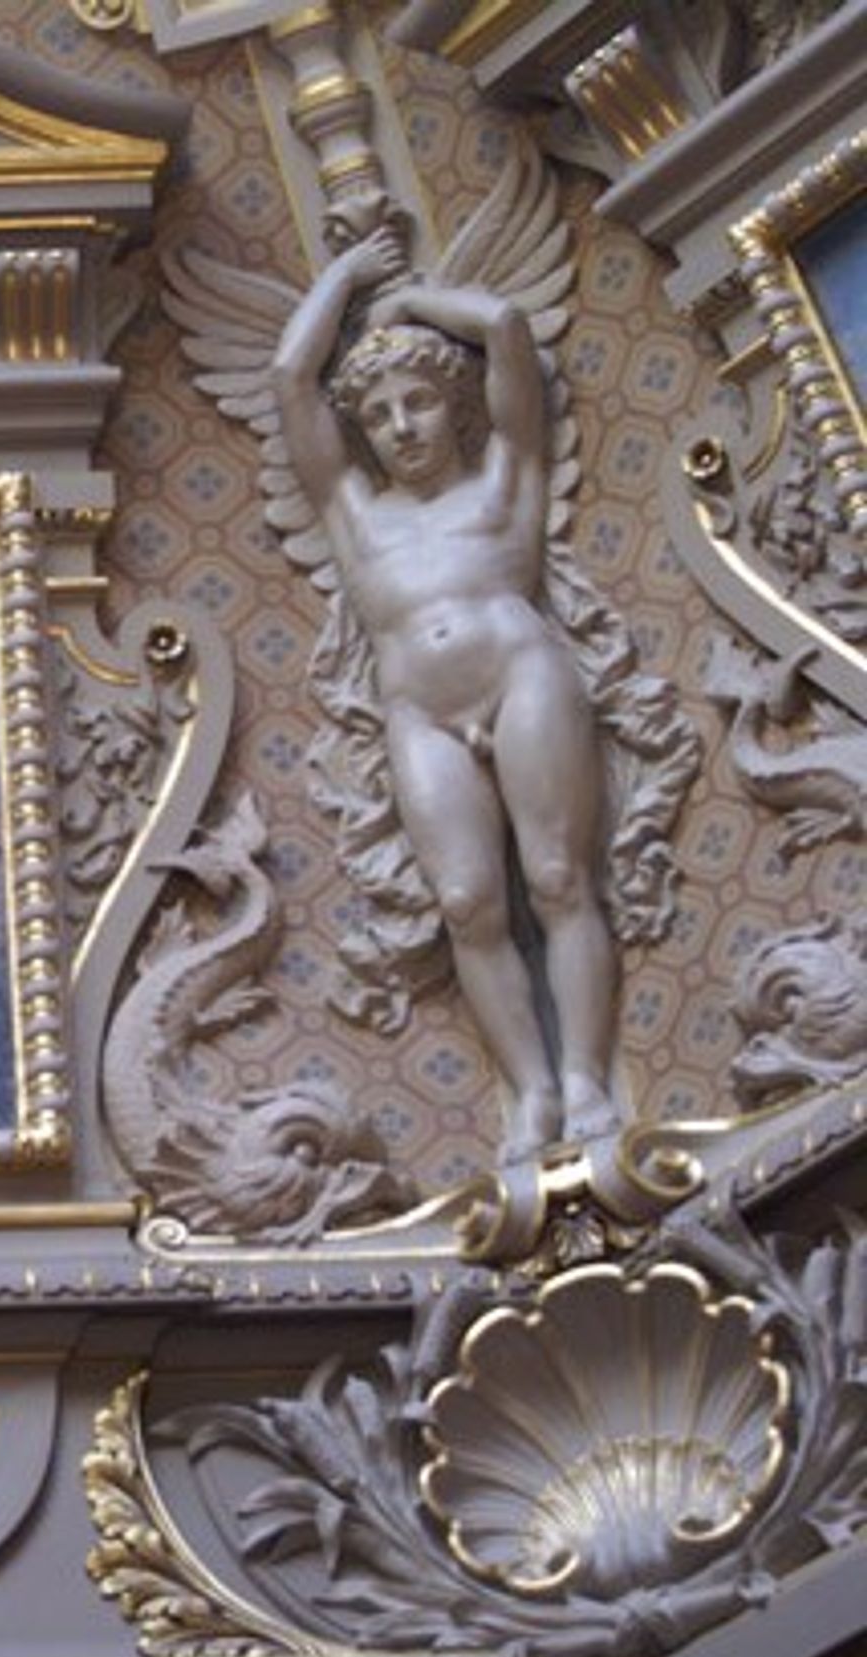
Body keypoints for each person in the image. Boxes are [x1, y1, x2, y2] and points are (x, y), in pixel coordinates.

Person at [273, 226, 620, 1159]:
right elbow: (291, 377)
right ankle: (532, 1091)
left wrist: (406, 304)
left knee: (558, 877)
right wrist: (345, 275)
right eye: (380, 413)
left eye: (420, 401)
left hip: (521, 674)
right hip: (420, 710)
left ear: (455, 405)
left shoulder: (507, 476)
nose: (403, 426)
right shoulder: (354, 512)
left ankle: (587, 1076)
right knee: (467, 900)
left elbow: (504, 325)